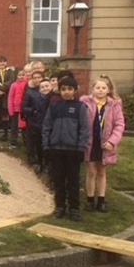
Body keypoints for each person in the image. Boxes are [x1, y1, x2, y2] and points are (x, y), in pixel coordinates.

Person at [42, 76, 89, 221]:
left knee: (73, 181)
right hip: (56, 149)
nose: (66, 92)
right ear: (59, 91)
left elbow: (84, 129)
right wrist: (46, 146)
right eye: (63, 89)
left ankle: (74, 208)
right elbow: (46, 127)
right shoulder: (54, 107)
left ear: (75, 91)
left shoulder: (80, 108)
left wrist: (81, 148)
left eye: (69, 89)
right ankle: (60, 206)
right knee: (58, 180)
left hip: (73, 150)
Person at [80, 75, 125, 213]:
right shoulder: (85, 103)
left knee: (101, 172)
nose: (100, 90)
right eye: (97, 87)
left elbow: (119, 124)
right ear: (92, 89)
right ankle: (89, 200)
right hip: (90, 143)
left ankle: (101, 200)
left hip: (105, 144)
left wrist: (112, 141)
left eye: (103, 88)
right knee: (91, 171)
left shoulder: (114, 105)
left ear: (108, 89)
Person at [23, 78, 52, 174]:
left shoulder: (54, 99)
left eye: (47, 86)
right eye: (42, 87)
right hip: (38, 125)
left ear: (51, 87)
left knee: (48, 147)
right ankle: (41, 164)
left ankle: (48, 164)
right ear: (39, 90)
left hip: (50, 127)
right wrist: (33, 111)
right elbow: (25, 108)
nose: (45, 88)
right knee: (39, 146)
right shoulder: (36, 98)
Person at [21, 71, 45, 165]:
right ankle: (31, 157)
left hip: (44, 120)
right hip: (33, 120)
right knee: (31, 139)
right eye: (34, 78)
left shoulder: (46, 90)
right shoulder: (29, 92)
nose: (37, 79)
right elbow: (23, 107)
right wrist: (33, 111)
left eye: (39, 77)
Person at [7, 70, 27, 148]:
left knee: (25, 127)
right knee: (14, 126)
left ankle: (26, 141)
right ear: (16, 76)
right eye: (19, 75)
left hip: (24, 109)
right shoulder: (13, 85)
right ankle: (13, 141)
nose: (21, 77)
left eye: (23, 75)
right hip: (15, 109)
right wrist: (10, 110)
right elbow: (10, 98)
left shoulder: (27, 84)